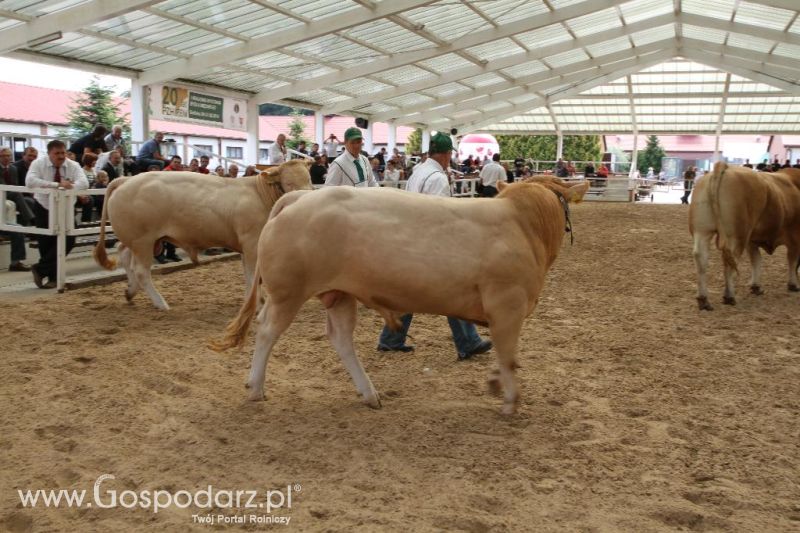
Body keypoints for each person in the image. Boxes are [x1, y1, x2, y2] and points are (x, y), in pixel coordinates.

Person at [376, 132, 493, 361]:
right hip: (428, 244)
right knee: (453, 291)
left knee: (408, 293)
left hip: (409, 239)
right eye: (450, 154)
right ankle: (468, 342)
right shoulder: (437, 178)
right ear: (447, 154)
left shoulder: (419, 171)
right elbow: (439, 216)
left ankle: (391, 339)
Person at [26, 140, 89, 288]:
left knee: (69, 239)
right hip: (43, 206)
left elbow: (84, 182)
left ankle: (40, 269)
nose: (61, 156)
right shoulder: (38, 163)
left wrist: (70, 186)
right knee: (46, 242)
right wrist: (57, 185)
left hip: (66, 206)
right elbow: (30, 181)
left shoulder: (73, 165)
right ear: (49, 154)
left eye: (63, 152)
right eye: (57, 153)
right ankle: (53, 278)